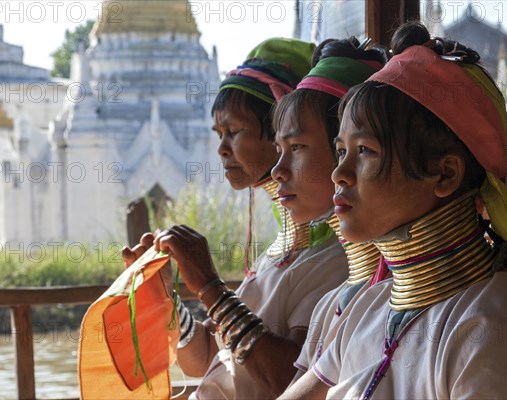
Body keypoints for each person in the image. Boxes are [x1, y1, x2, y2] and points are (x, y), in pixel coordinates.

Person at [280, 22, 507, 399]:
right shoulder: (373, 306)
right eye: (341, 151)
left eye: (366, 152)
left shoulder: (498, 335)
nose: (338, 174)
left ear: (445, 173)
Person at [124, 37, 349, 399]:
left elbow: (289, 381)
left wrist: (210, 286)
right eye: (218, 134)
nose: (222, 149)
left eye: (234, 132)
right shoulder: (279, 250)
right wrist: (165, 297)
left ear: (277, 133)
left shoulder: (339, 258)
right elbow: (208, 359)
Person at [269, 37, 387, 384]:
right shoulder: (334, 301)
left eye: (298, 146)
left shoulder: (404, 296)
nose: (277, 170)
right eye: (280, 148)